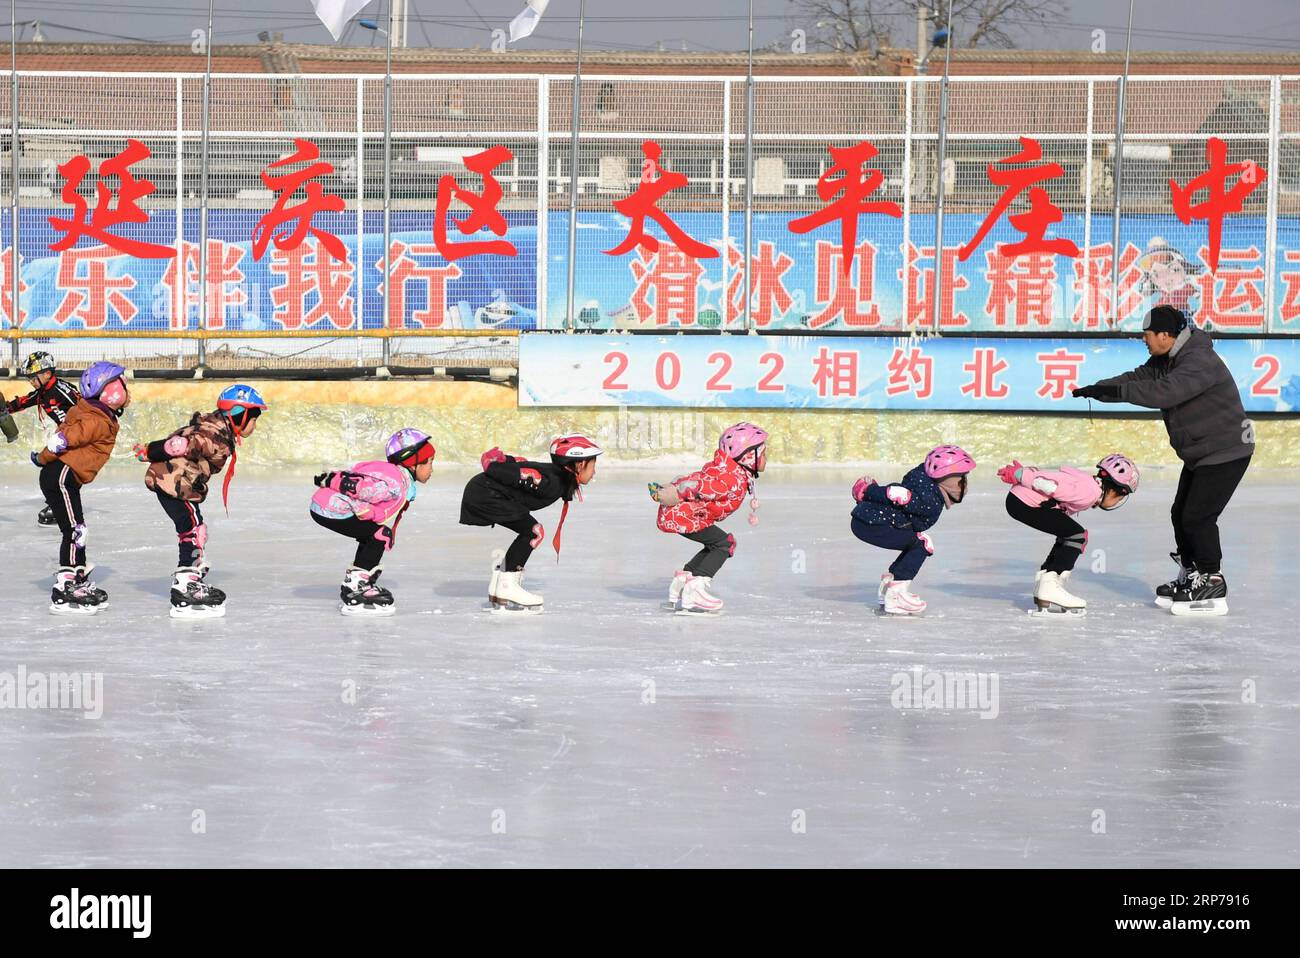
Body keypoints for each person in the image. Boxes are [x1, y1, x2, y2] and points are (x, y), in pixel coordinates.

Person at [1072, 305, 1253, 616]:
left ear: (1166, 336)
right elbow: (1140, 377)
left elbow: (1163, 393)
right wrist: (1101, 389)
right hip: (1202, 452)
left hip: (1227, 451)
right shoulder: (1168, 358)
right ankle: (1191, 575)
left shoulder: (1198, 361)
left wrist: (1117, 391)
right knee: (1180, 512)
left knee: (1198, 516)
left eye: (1147, 335)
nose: (1144, 340)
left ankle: (1212, 579)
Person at [133, 384, 268, 618]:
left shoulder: (213, 428)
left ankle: (190, 569)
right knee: (194, 530)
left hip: (173, 482)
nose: (254, 426)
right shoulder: (211, 434)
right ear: (239, 414)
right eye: (253, 419)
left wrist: (153, 451)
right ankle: (187, 585)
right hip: (175, 484)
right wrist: (154, 449)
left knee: (192, 528)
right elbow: (188, 441)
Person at [460, 434, 602, 612]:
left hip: (487, 493)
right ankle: (506, 587)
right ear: (580, 464)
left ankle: (499, 585)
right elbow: (517, 473)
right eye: (593, 466)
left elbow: (523, 464)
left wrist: (507, 459)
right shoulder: (552, 482)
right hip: (485, 495)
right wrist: (493, 464)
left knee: (531, 531)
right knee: (534, 532)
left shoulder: (555, 477)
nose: (594, 472)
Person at [34, 361, 129, 615]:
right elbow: (67, 437)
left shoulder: (94, 413)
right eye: (121, 383)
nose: (126, 387)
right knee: (76, 531)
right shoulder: (96, 419)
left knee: (75, 530)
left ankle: (75, 576)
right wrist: (45, 455)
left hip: (61, 475)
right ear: (109, 391)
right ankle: (67, 586)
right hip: (62, 475)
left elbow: (68, 432)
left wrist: (42, 459)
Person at [310, 428, 435, 616]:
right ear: (413, 462)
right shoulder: (394, 484)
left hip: (334, 507)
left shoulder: (398, 478)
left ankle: (357, 581)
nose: (432, 469)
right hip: (331, 509)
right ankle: (357, 587)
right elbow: (358, 486)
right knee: (379, 535)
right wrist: (330, 479)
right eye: (430, 462)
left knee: (374, 535)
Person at [649, 422, 768, 614]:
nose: (765, 458)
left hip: (687, 515)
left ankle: (684, 580)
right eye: (762, 453)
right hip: (683, 516)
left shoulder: (731, 471)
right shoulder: (732, 479)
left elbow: (702, 479)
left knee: (716, 544)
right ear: (748, 456)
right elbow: (700, 483)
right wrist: (675, 489)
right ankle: (695, 589)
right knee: (725, 544)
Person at [999, 454, 1139, 615]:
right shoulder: (1089, 492)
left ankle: (1045, 584)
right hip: (1024, 504)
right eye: (1122, 497)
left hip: (1020, 501)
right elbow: (1048, 485)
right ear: (1116, 491)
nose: (1118, 501)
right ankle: (1049, 586)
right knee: (1078, 536)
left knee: (1068, 534)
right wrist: (1021, 474)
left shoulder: (1089, 484)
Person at [850, 445, 976, 616]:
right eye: (961, 479)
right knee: (923, 544)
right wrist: (868, 491)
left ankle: (889, 588)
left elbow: (898, 494)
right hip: (870, 524)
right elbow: (895, 494)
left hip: (870, 521)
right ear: (948, 479)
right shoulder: (928, 499)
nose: (964, 485)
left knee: (915, 543)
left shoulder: (924, 483)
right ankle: (896, 596)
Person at [4, 351, 80, 527]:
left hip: (79, 438)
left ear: (46, 374)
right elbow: (23, 402)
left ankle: (64, 510)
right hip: (67, 439)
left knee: (58, 474)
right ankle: (58, 505)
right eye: (29, 378)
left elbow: (86, 407)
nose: (30, 381)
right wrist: (5, 408)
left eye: (33, 377)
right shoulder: (42, 392)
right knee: (49, 474)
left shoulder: (62, 390)